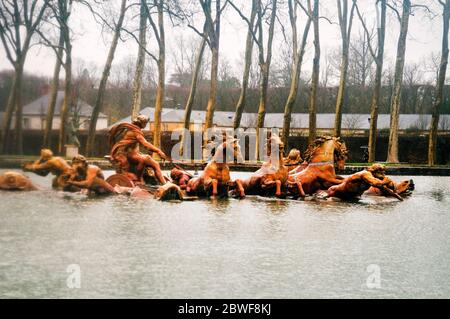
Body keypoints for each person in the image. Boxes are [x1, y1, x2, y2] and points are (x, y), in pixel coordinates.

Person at [109, 115, 169, 184]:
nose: (146, 125)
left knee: (154, 163)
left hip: (131, 153)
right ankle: (138, 180)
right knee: (143, 160)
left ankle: (164, 184)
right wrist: (159, 151)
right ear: (142, 123)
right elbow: (145, 144)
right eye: (145, 123)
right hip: (124, 154)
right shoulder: (135, 131)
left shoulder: (134, 129)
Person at [326, 164, 403, 201]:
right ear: (375, 172)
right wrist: (385, 181)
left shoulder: (372, 178)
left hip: (351, 198)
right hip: (335, 193)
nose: (383, 175)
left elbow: (384, 189)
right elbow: (376, 183)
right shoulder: (365, 174)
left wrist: (397, 197)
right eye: (381, 173)